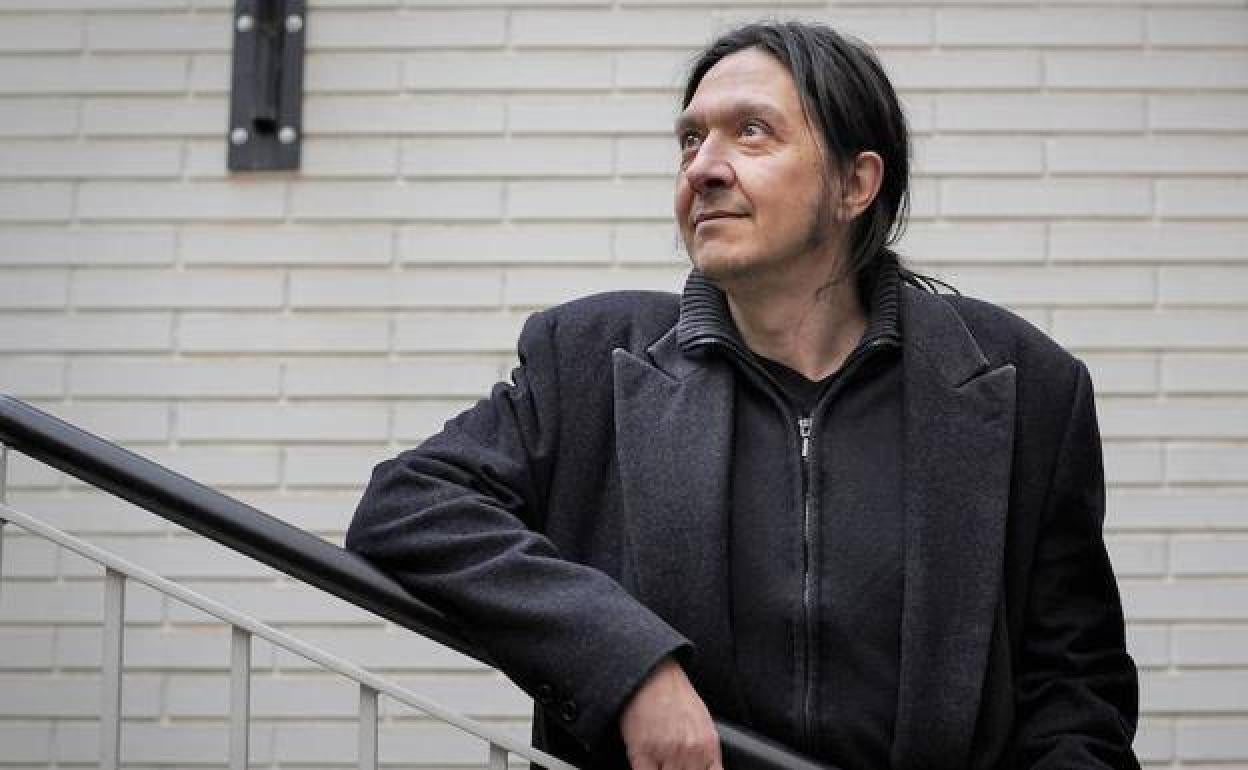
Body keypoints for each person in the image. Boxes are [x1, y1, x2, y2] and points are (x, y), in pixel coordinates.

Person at [346, 21, 1140, 770]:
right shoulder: (588, 360)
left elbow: (1077, 691)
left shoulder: (1026, 384)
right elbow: (408, 507)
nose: (703, 167)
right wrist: (627, 660)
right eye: (691, 139)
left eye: (751, 131)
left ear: (856, 183)